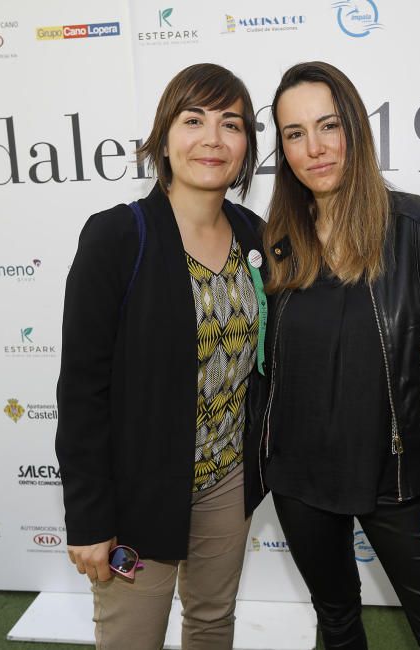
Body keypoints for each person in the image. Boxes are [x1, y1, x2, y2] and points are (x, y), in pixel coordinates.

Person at [259, 61, 420, 650]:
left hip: (399, 479)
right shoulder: (278, 240)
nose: (314, 148)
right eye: (294, 134)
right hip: (300, 480)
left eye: (328, 125)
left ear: (356, 128)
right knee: (335, 624)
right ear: (282, 148)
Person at [55, 63, 268, 649]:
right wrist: (91, 520)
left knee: (211, 624)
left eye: (232, 124)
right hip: (137, 497)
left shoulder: (257, 236)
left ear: (247, 145)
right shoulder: (117, 236)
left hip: (227, 483)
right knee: (132, 639)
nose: (212, 139)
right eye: (193, 119)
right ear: (164, 136)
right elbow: (81, 391)